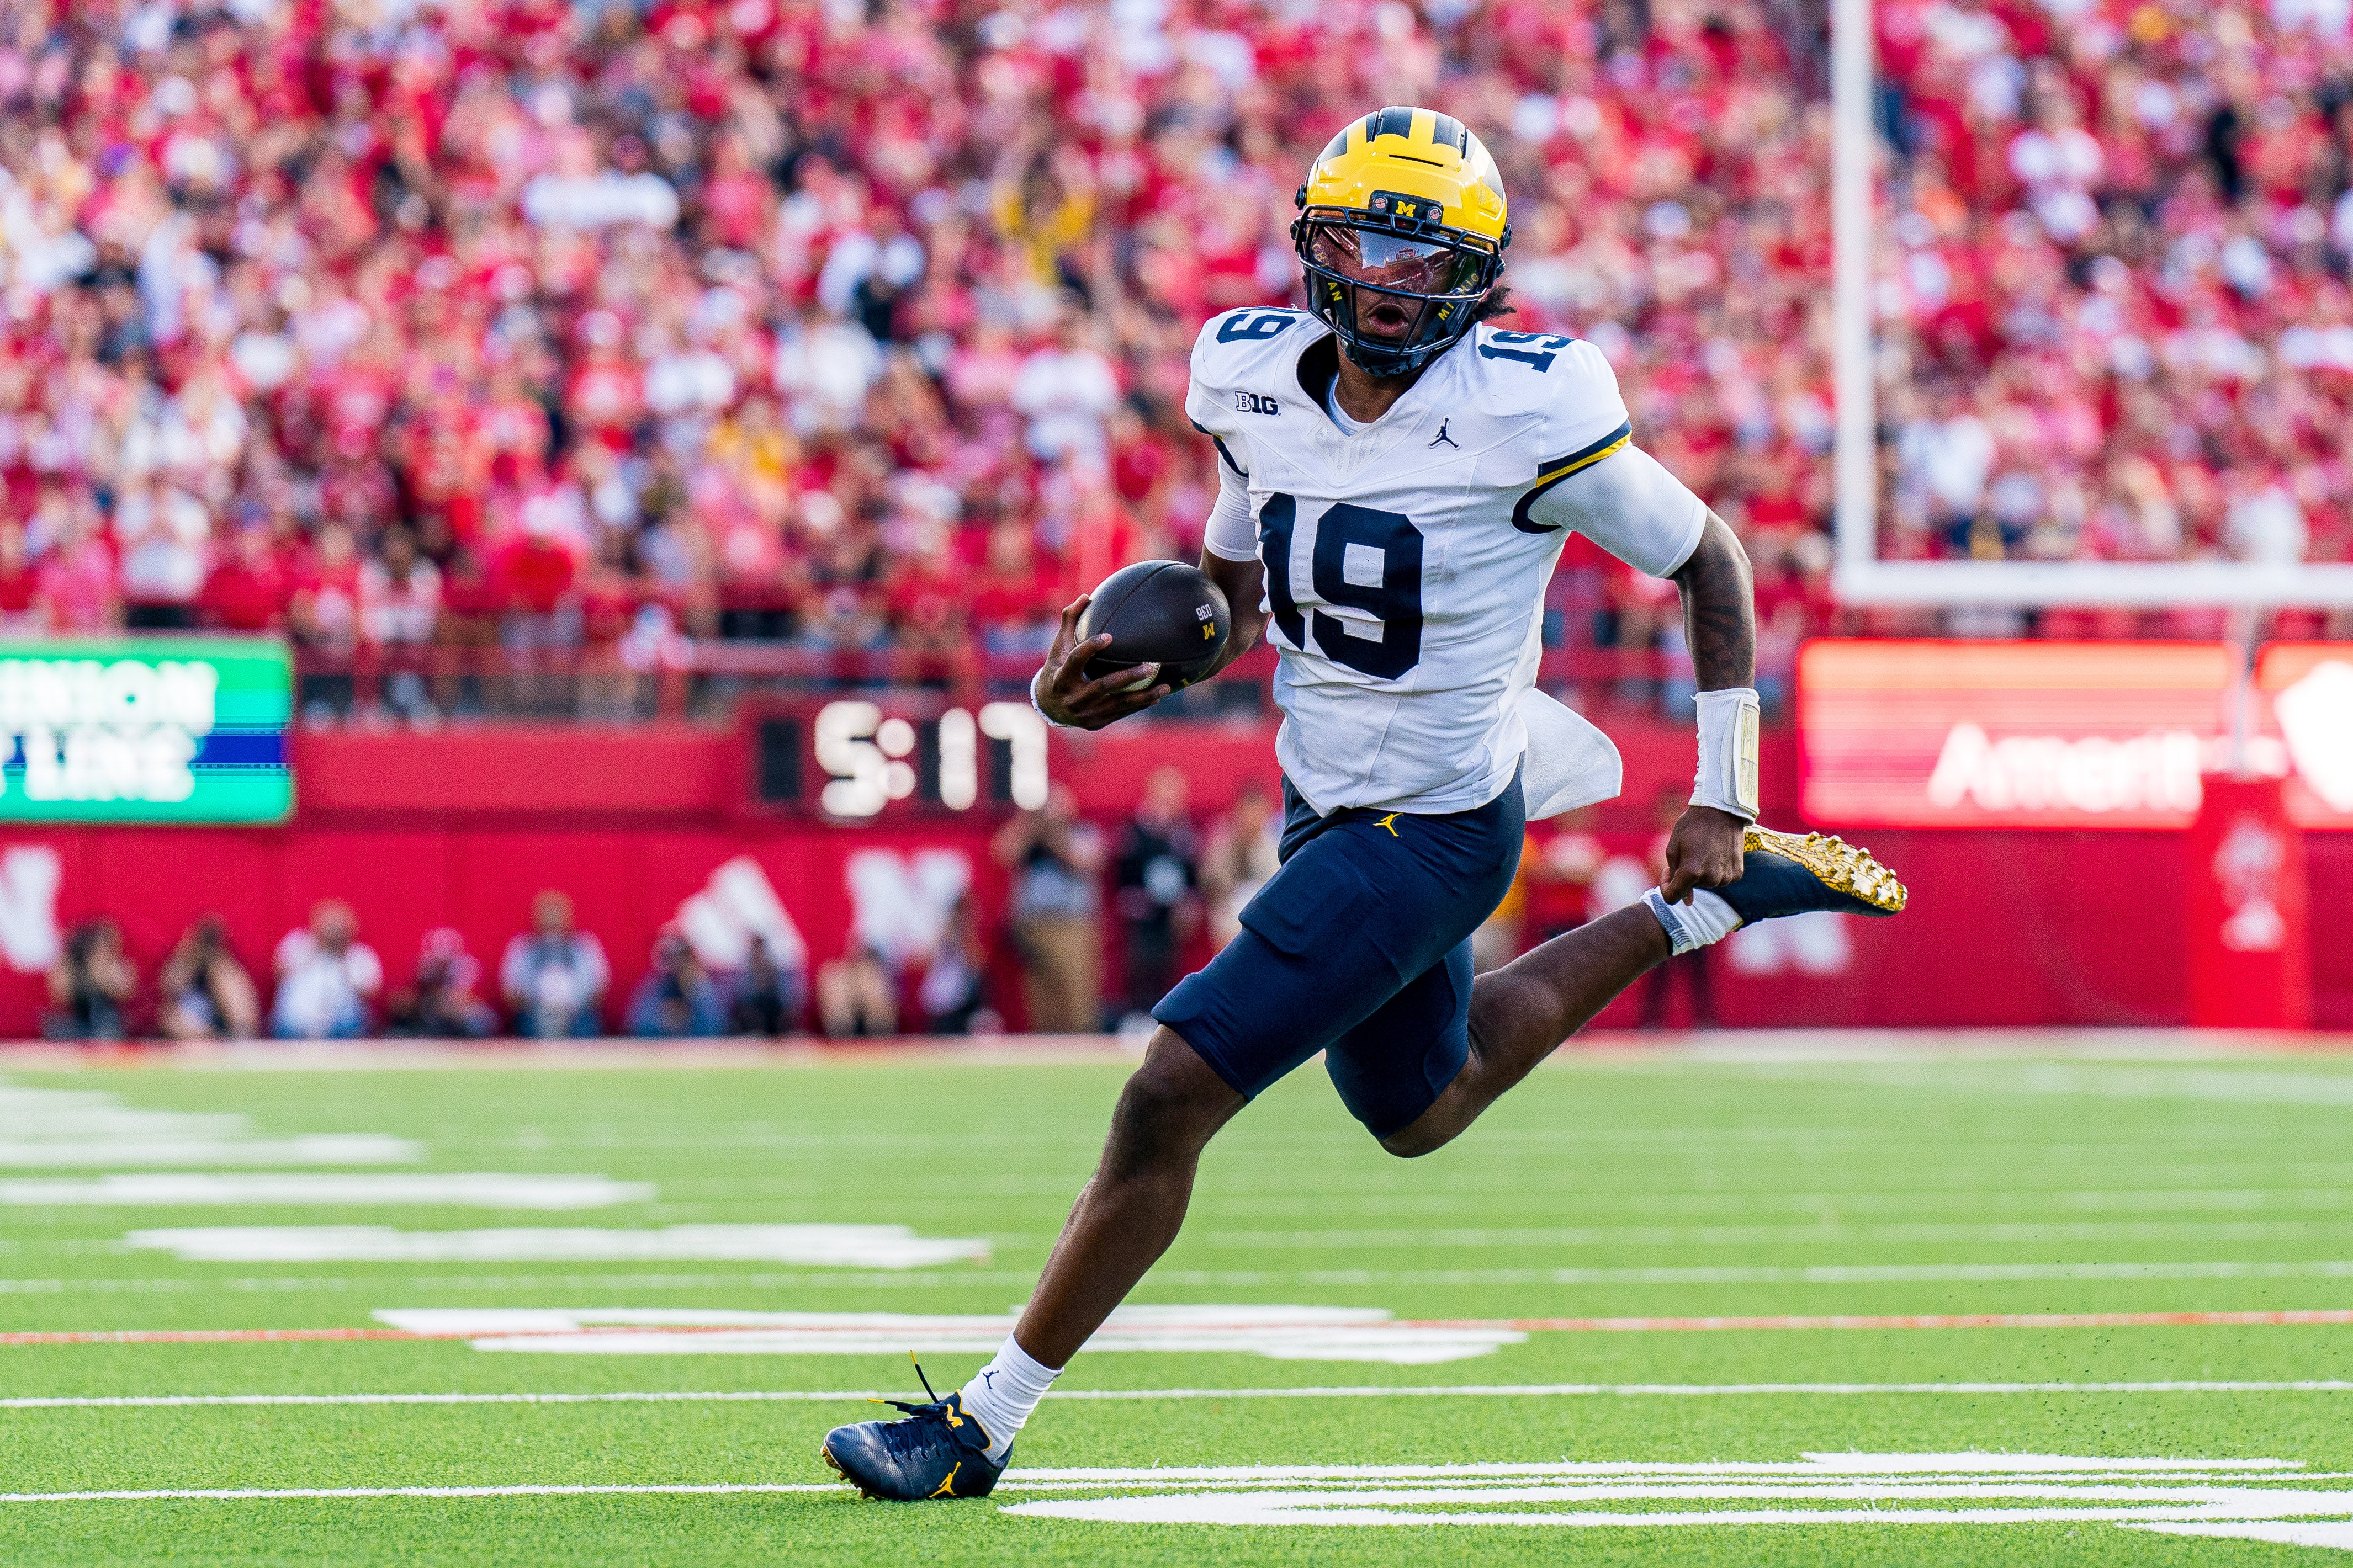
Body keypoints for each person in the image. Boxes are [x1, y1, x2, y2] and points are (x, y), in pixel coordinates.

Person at [822, 107, 1909, 1500]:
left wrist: (1724, 786)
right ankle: (1694, 914)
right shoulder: (1249, 380)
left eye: (1421, 256)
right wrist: (1104, 674)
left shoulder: (1526, 404)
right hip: (1324, 798)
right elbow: (1230, 603)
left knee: (1166, 1094)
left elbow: (1712, 560)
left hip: (1436, 822)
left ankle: (980, 1421)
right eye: (1361, 246)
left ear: (1476, 274)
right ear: (1312, 248)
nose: (1388, 283)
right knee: (1418, 1103)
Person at [989, 782, 1104, 1033]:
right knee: (1040, 991)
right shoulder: (1031, 834)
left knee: (1075, 988)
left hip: (1071, 924)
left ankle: (1081, 1038)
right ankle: (1046, 1039)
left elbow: (1086, 862)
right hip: (1034, 924)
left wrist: (1054, 838)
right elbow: (1001, 852)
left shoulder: (1083, 832)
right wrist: (1030, 825)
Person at [1111, 767, 1199, 1027]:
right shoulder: (1135, 831)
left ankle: (1166, 1020)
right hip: (1143, 914)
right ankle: (1139, 1017)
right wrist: (1131, 898)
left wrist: (1189, 901)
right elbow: (1123, 874)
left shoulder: (1183, 833)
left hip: (1171, 915)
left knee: (1169, 966)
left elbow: (1191, 874)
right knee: (1142, 964)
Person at [500, 891, 610, 1038]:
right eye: (547, 913)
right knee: (526, 1025)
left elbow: (600, 987)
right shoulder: (521, 947)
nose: (552, 919)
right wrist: (537, 1008)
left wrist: (572, 1009)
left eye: (557, 913)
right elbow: (510, 990)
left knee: (587, 1026)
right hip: (534, 1014)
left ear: (569, 916)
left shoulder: (586, 945)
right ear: (535, 917)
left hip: (577, 1015)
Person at [270, 900, 382, 1039]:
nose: (332, 932)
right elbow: (278, 974)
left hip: (345, 1030)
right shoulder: (296, 942)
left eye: (338, 926)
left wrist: (343, 957)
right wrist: (314, 948)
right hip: (294, 1029)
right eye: (328, 924)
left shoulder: (361, 955)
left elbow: (371, 992)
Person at [1196, 781, 1281, 951]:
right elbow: (1209, 881)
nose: (1254, 817)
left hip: (1265, 927)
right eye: (1250, 810)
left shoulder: (1275, 844)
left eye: (1259, 811)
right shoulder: (1223, 841)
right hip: (1227, 925)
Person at [156, 916, 260, 1040]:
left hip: (224, 1026)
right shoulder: (184, 963)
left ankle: (230, 1039)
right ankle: (218, 1038)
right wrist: (191, 956)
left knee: (224, 977)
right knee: (171, 1017)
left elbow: (244, 1017)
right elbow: (170, 988)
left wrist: (213, 960)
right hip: (195, 1024)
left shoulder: (225, 971)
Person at [384, 929, 498, 1039]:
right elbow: (421, 999)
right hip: (433, 1017)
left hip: (459, 1017)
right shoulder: (427, 966)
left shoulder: (465, 966)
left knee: (479, 1023)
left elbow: (459, 1001)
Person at [45, 919, 136, 1041]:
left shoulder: (116, 965)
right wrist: (79, 971)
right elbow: (59, 996)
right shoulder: (70, 965)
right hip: (74, 1022)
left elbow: (125, 993)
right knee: (58, 1031)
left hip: (106, 1023)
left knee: (106, 1033)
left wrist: (101, 973)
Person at [625, 927, 723, 1038]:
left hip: (696, 1045)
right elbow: (639, 1026)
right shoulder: (656, 983)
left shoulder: (698, 981)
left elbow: (712, 1027)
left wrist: (694, 982)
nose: (674, 961)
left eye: (680, 955)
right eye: (667, 955)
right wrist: (668, 1020)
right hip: (658, 1045)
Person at [724, 933, 803, 1037]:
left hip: (772, 1008)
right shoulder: (746, 967)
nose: (758, 951)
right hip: (753, 1008)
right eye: (756, 947)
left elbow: (784, 995)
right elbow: (741, 995)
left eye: (760, 946)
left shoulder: (772, 965)